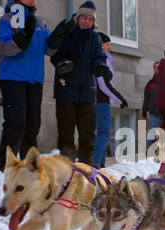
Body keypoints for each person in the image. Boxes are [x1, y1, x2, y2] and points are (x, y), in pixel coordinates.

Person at [0, 0, 75, 171]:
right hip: (13, 76)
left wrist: (59, 34)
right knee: (16, 121)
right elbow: (6, 48)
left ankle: (30, 165)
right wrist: (25, 35)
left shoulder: (39, 21)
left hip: (35, 79)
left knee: (33, 123)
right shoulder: (8, 19)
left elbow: (49, 49)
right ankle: (5, 163)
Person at [50, 1, 108, 166]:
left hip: (88, 91)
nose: (87, 21)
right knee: (66, 127)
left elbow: (99, 57)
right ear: (78, 17)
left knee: (88, 130)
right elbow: (55, 53)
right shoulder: (68, 34)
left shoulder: (95, 38)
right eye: (84, 17)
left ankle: (86, 160)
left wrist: (100, 68)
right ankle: (67, 157)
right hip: (66, 88)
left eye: (90, 19)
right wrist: (62, 63)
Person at [92, 32, 128, 168]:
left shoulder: (103, 59)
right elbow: (104, 84)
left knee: (103, 132)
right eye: (107, 44)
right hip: (101, 101)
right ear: (101, 44)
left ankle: (100, 162)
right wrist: (120, 99)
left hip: (101, 100)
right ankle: (95, 162)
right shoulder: (101, 60)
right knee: (104, 133)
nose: (110, 47)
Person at [142, 62, 160, 145]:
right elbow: (146, 98)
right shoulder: (150, 83)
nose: (157, 69)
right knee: (152, 132)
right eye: (155, 67)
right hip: (154, 111)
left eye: (159, 67)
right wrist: (144, 110)